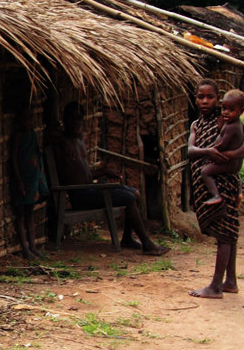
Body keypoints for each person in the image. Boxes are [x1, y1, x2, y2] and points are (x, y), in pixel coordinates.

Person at [51, 101, 167, 256]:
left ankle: (127, 238)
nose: (77, 122)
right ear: (65, 120)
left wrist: (103, 172)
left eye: (80, 118)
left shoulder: (79, 139)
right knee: (129, 198)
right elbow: (49, 137)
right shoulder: (62, 142)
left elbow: (84, 174)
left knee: (136, 194)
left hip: (90, 188)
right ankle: (147, 243)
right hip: (82, 196)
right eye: (73, 119)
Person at [188, 80, 244, 299]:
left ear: (218, 99)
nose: (205, 101)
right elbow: (190, 150)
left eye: (210, 97)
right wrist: (208, 151)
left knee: (225, 233)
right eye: (200, 97)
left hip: (225, 183)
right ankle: (230, 281)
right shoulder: (196, 124)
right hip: (206, 183)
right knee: (229, 234)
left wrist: (232, 156)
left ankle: (215, 286)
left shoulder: (225, 120)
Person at [9, 105, 48, 260]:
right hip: (22, 179)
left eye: (31, 117)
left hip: (32, 178)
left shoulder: (32, 134)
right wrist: (19, 180)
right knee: (20, 214)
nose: (29, 121)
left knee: (30, 214)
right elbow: (14, 159)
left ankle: (32, 246)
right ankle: (25, 248)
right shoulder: (18, 136)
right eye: (25, 118)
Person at [200, 89, 244, 207]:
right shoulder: (234, 122)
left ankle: (216, 195)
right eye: (224, 109)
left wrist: (212, 153)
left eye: (231, 110)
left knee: (205, 172)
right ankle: (238, 192)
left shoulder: (232, 126)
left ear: (241, 111)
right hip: (233, 162)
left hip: (227, 161)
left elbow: (223, 144)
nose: (226, 112)